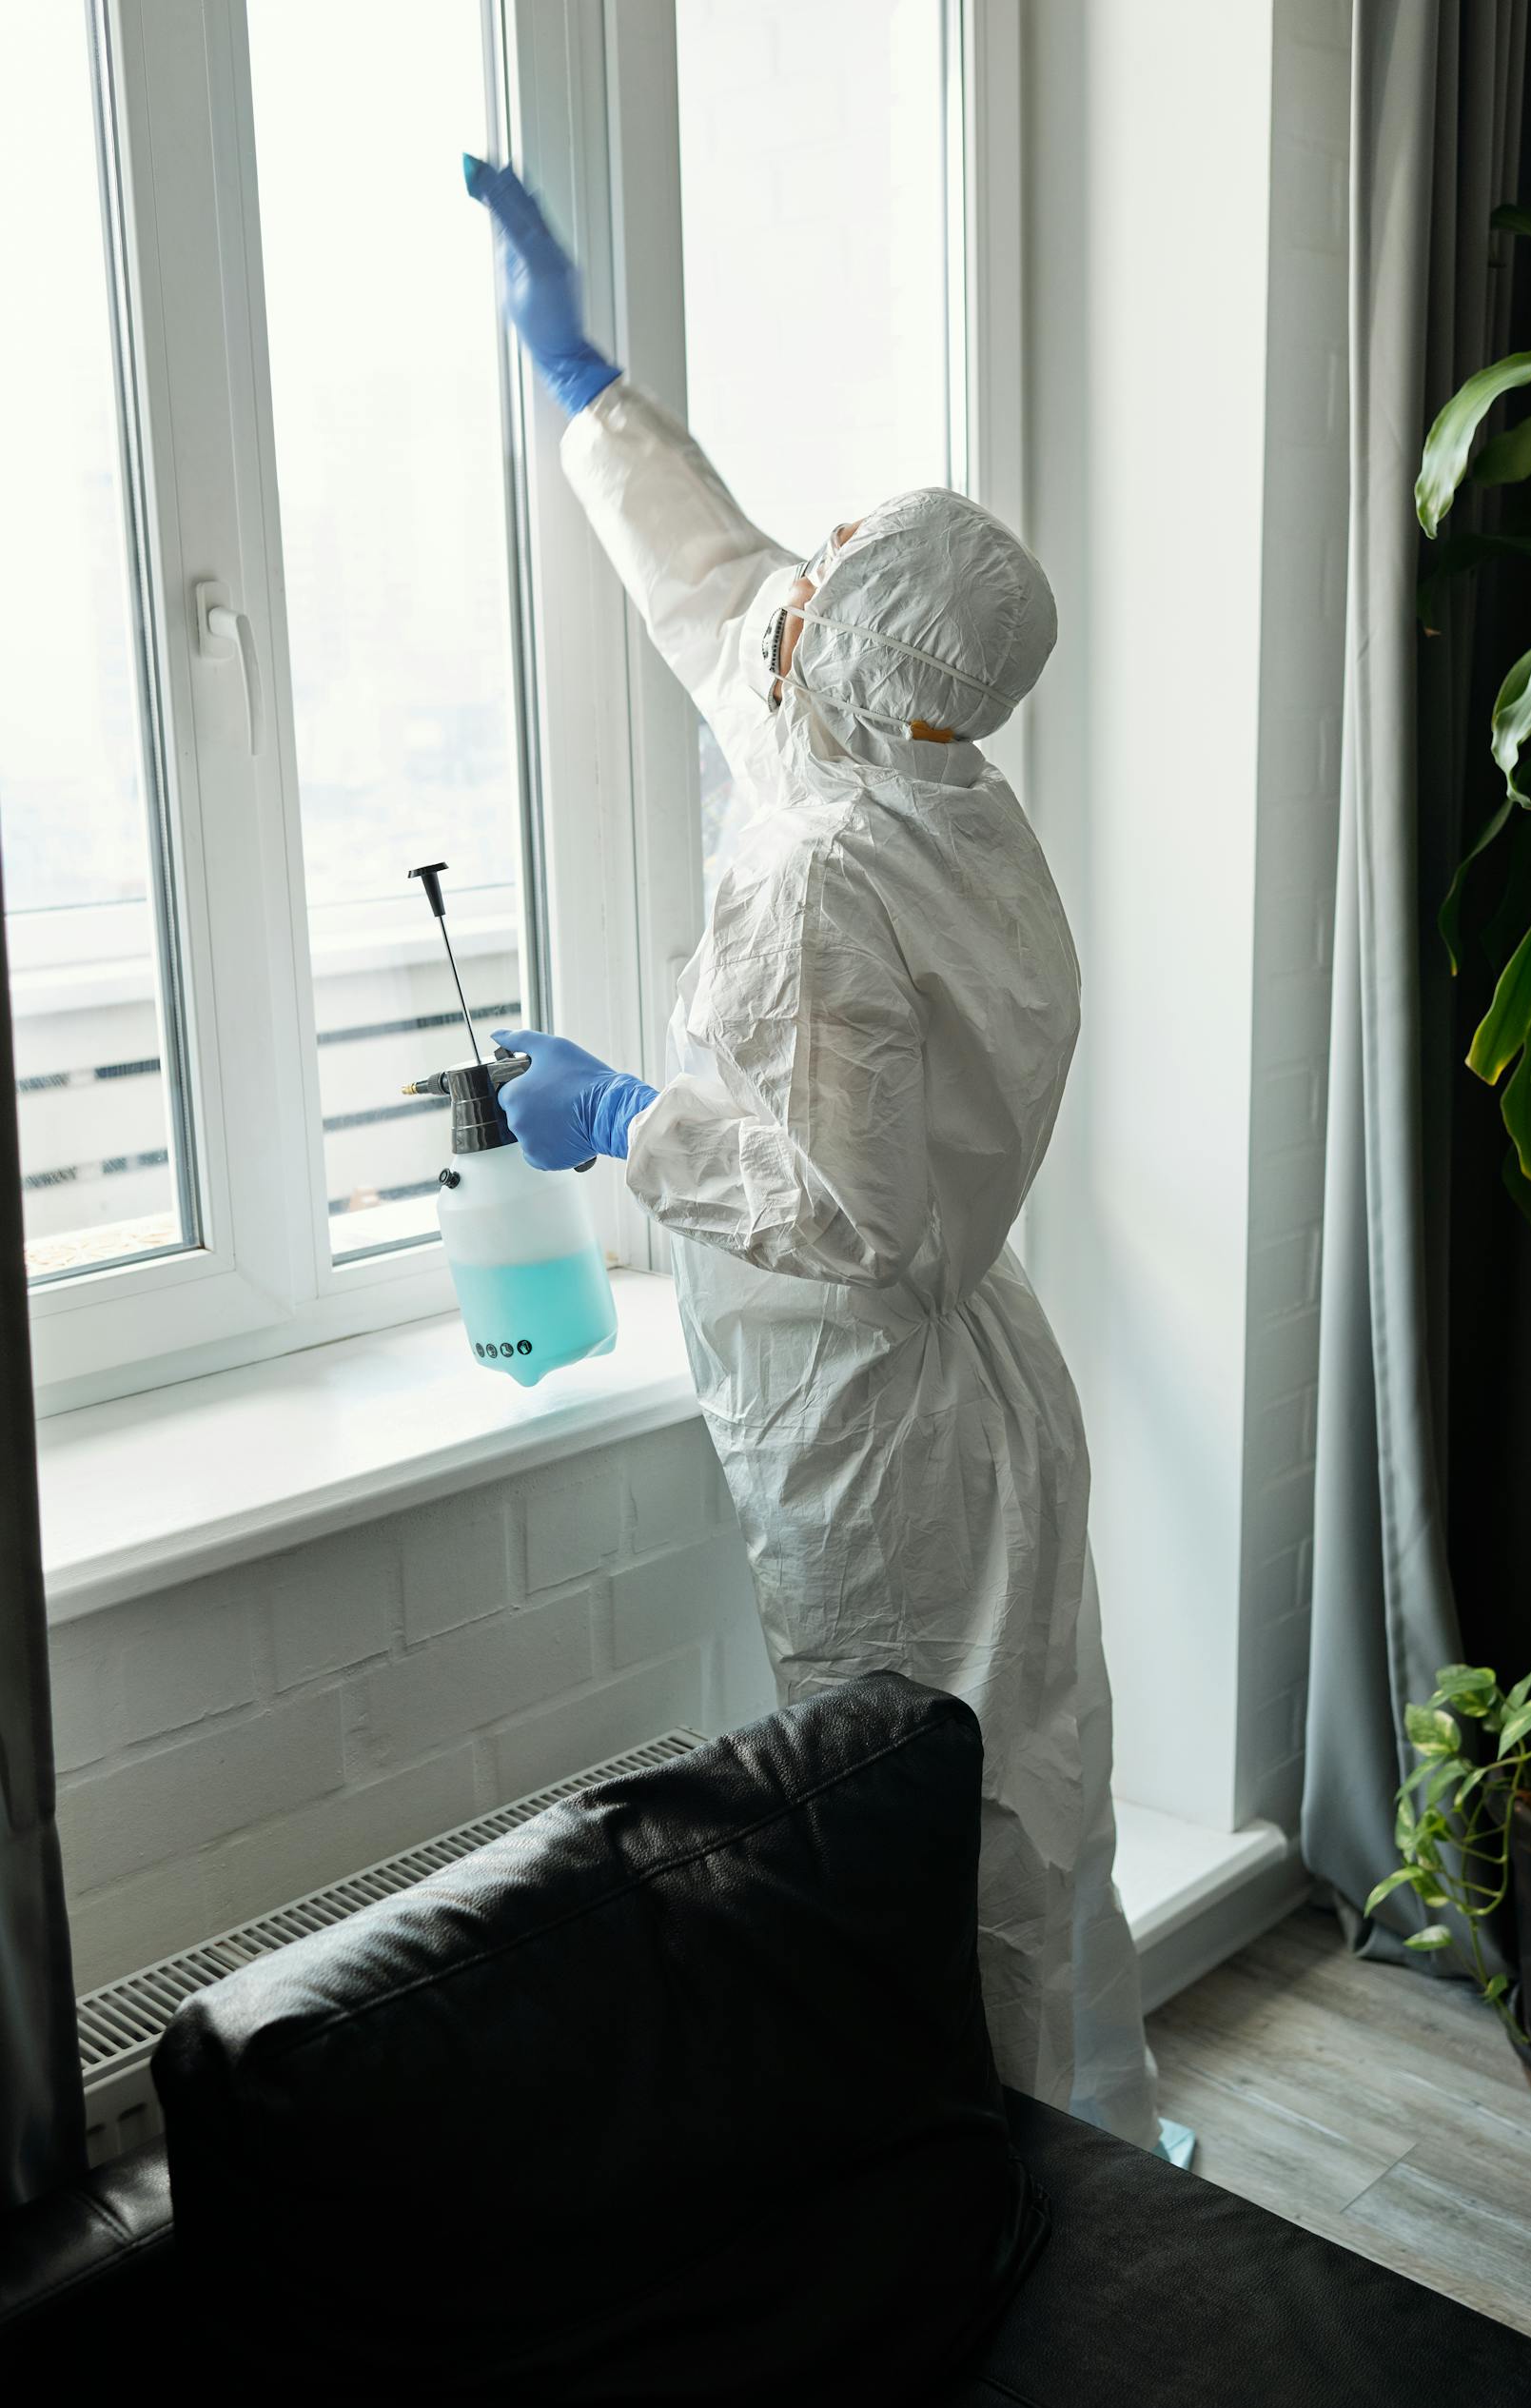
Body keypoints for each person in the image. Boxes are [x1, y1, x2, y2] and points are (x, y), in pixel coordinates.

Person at [465, 157, 1162, 2149]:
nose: (808, 559)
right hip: (978, 1382)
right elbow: (731, 594)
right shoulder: (943, 786)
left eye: (840, 558)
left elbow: (849, 1214)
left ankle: (1001, 2184)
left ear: (853, 662)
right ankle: (1080, 2134)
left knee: (931, 1810)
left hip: (879, 1430)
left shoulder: (817, 877)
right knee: (1029, 1775)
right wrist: (584, 380)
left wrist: (623, 1121)